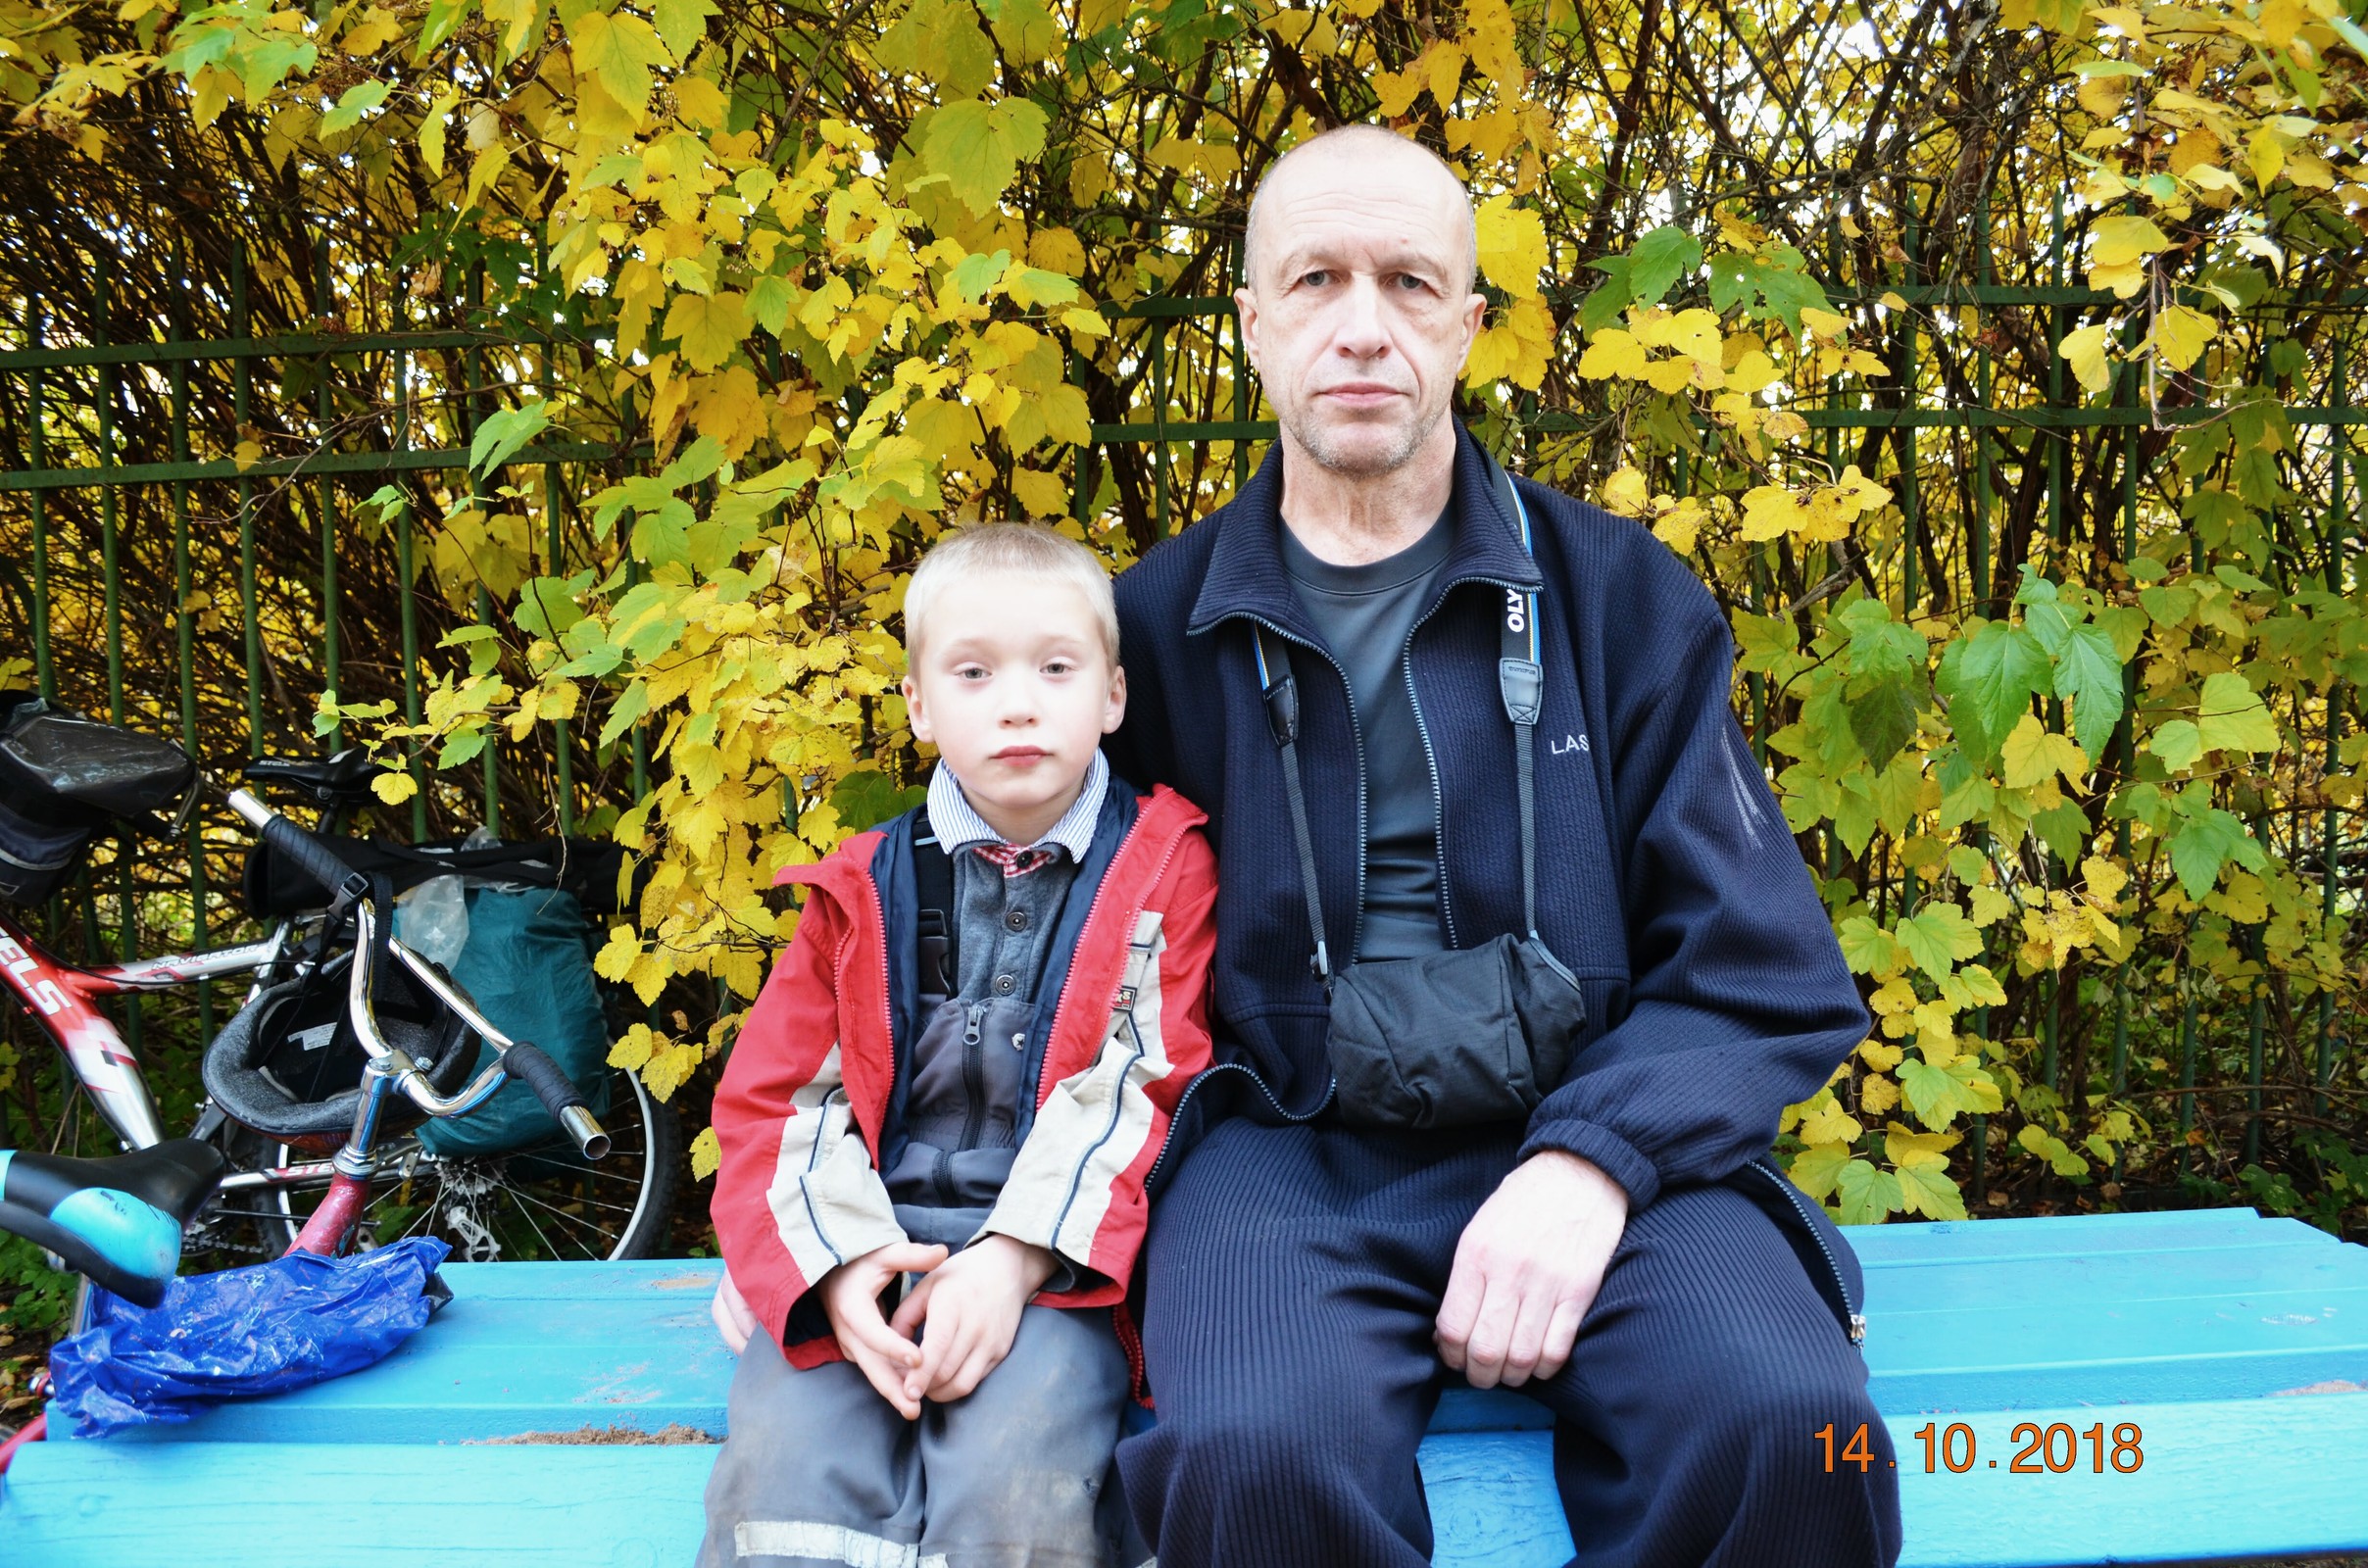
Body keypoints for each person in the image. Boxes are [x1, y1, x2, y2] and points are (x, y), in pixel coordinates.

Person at [1103, 125, 1905, 1565]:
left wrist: (1591, 1162)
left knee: (1794, 1432)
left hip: (1602, 1127)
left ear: (1468, 327)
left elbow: (1760, 969)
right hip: (1277, 1150)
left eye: (1410, 282)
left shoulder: (1621, 602)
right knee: (1251, 1459)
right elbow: (1012, 935)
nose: (1363, 327)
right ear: (1254, 324)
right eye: (1316, 280)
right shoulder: (1146, 635)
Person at [699, 523, 1217, 1568]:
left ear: (1113, 695)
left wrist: (1012, 1259)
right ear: (920, 706)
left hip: (1055, 1260)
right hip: (871, 1237)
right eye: (974, 673)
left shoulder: (1161, 866)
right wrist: (826, 1266)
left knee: (1016, 1481)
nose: (1017, 703)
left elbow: (1141, 1087)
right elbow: (782, 1100)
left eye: (1055, 668)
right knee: (786, 1478)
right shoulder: (861, 885)